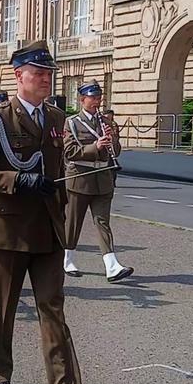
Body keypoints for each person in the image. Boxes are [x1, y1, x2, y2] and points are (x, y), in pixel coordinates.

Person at [0, 40, 82, 384]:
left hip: (48, 229)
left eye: (49, 73)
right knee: (3, 311)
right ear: (19, 75)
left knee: (53, 309)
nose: (47, 79)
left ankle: (63, 383)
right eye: (39, 73)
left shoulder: (58, 118)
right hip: (10, 230)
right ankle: (0, 375)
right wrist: (20, 179)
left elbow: (60, 164)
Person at [63, 80, 132, 282]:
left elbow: (116, 152)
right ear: (82, 99)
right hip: (80, 179)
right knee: (73, 223)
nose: (97, 101)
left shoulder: (107, 122)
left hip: (103, 178)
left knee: (103, 223)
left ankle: (112, 266)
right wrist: (95, 146)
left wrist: (112, 141)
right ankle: (67, 259)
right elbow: (69, 152)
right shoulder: (72, 122)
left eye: (98, 97)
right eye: (92, 98)